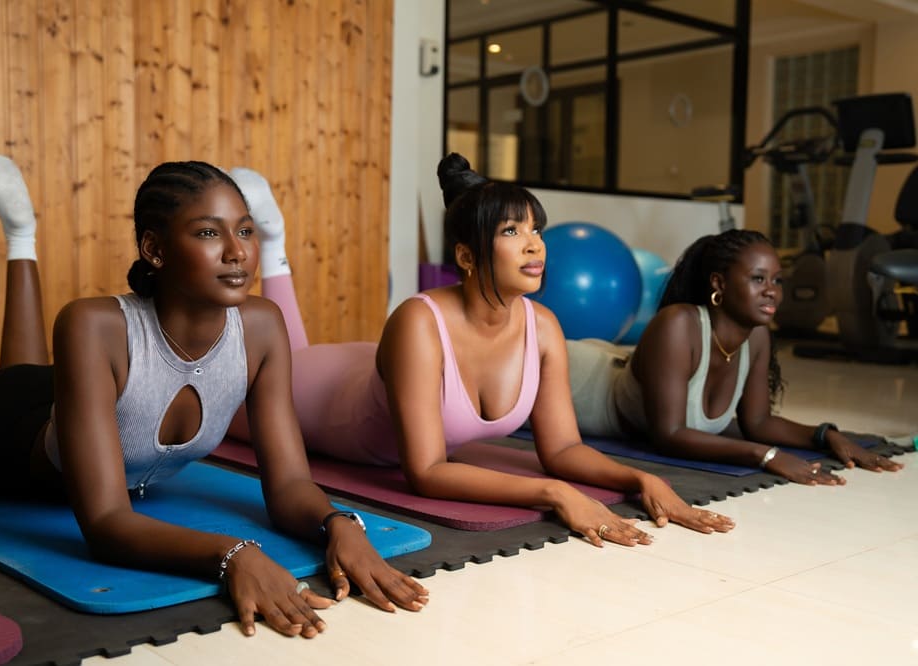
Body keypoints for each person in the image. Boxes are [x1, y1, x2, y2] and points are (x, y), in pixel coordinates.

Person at [0, 154, 428, 639]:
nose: (237, 251)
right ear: (155, 249)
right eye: (209, 232)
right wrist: (234, 555)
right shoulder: (91, 323)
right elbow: (105, 523)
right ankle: (20, 237)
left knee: (29, 372)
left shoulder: (261, 327)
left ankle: (20, 234)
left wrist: (338, 523)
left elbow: (291, 482)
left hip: (72, 398)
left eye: (245, 230)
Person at [230, 154, 734, 548]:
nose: (535, 245)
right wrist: (555, 492)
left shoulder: (543, 327)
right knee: (267, 376)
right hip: (317, 398)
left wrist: (641, 478)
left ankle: (275, 242)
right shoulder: (417, 321)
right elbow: (426, 472)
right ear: (467, 257)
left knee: (293, 350)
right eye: (512, 232)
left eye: (535, 229)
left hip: (369, 370)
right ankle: (272, 245)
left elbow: (560, 449)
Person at [565, 228, 904, 484]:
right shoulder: (678, 325)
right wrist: (765, 455)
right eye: (758, 279)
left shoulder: (757, 336)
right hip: (576, 381)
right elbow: (669, 434)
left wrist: (827, 436)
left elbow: (757, 422)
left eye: (777, 280)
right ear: (720, 283)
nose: (772, 290)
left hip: (613, 362)